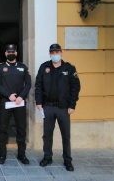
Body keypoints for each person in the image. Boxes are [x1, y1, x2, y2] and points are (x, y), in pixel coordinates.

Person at [35, 43, 81, 172]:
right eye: (53, 52)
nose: (55, 55)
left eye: (57, 52)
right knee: (47, 135)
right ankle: (47, 157)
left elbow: (75, 87)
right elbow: (38, 85)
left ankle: (67, 160)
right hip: (48, 107)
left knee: (65, 135)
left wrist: (72, 105)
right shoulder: (44, 67)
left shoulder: (69, 68)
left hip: (63, 108)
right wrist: (38, 102)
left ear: (61, 53)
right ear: (50, 54)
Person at [0, 44, 31, 165]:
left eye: (13, 52)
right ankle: (2, 155)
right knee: (3, 129)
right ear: (5, 53)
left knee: (21, 129)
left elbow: (28, 84)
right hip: (6, 102)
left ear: (16, 53)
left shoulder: (23, 67)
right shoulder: (0, 68)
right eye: (9, 52)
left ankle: (22, 154)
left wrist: (21, 96)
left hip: (19, 102)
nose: (11, 53)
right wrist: (9, 94)